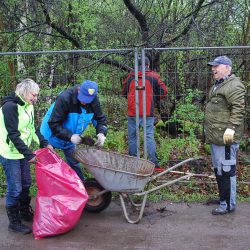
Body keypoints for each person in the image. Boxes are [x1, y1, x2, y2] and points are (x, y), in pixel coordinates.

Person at [0, 79, 54, 234]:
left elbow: (32, 128)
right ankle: (14, 222)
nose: (36, 98)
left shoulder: (28, 105)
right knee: (15, 187)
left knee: (26, 183)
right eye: (34, 95)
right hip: (10, 153)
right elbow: (13, 135)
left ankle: (24, 212)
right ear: (24, 91)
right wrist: (29, 154)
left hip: (22, 151)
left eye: (37, 95)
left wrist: (44, 142)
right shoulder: (10, 107)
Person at [40, 80, 108, 181]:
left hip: (71, 137)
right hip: (50, 135)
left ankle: (81, 190)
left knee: (74, 164)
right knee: (50, 168)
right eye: (83, 98)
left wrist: (101, 133)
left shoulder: (93, 100)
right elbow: (54, 123)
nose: (85, 102)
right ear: (79, 90)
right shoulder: (65, 99)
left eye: (88, 99)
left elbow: (100, 119)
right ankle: (50, 191)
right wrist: (70, 136)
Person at [205, 56, 246, 215]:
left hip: (226, 137)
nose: (213, 69)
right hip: (216, 136)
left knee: (226, 170)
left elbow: (238, 110)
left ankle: (228, 204)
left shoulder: (234, 85)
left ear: (228, 68)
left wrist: (231, 129)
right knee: (220, 170)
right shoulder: (219, 84)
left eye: (217, 66)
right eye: (212, 67)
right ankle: (224, 198)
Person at [122, 56, 167, 167]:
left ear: (136, 66)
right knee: (149, 137)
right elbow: (164, 91)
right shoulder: (154, 77)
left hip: (133, 113)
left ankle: (134, 162)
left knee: (133, 137)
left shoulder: (130, 78)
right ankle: (153, 163)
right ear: (148, 65)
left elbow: (123, 93)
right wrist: (154, 98)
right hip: (148, 112)